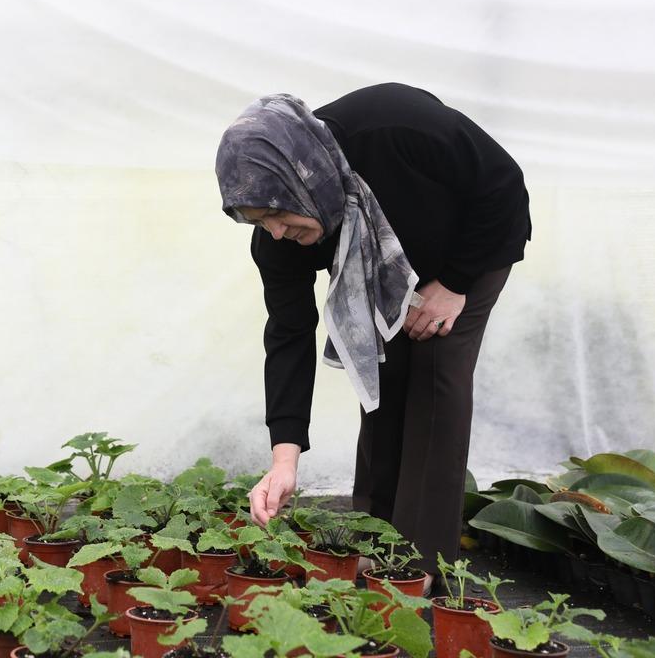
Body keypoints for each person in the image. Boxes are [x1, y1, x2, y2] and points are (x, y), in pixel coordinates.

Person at [214, 83, 531, 581]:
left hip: (471, 247)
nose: (274, 230)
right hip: (383, 269)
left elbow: (505, 186)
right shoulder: (278, 241)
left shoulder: (393, 126)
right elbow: (288, 334)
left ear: (304, 179)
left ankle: (420, 565)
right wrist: (284, 460)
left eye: (276, 213)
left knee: (434, 373)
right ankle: (375, 539)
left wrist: (455, 283)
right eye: (258, 221)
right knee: (384, 377)